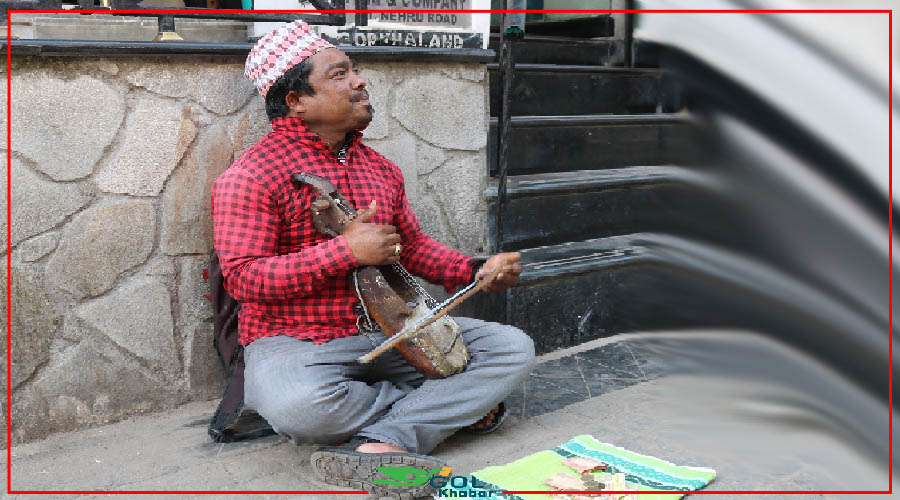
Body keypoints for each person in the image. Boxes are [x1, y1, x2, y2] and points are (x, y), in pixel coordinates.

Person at [211, 20, 535, 497]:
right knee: (300, 410)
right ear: (296, 101)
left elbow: (414, 248)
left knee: (511, 347)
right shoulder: (250, 177)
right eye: (339, 75)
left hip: (396, 329)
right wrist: (344, 252)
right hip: (299, 342)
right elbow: (244, 279)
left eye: (354, 71)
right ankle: (441, 408)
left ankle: (386, 440)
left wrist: (474, 271)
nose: (360, 81)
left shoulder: (379, 169)